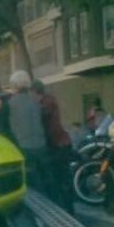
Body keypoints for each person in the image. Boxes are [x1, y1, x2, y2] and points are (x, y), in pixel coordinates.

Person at [4, 70, 61, 204]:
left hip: (24, 146)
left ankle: (41, 208)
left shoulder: (11, 103)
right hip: (41, 144)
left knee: (33, 182)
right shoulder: (34, 101)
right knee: (48, 177)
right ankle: (56, 203)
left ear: (14, 85)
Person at [30, 80, 75, 214]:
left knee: (61, 179)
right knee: (59, 179)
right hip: (59, 145)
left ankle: (68, 210)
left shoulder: (47, 103)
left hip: (59, 146)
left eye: (29, 93)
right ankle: (67, 209)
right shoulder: (46, 102)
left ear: (34, 92)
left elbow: (43, 114)